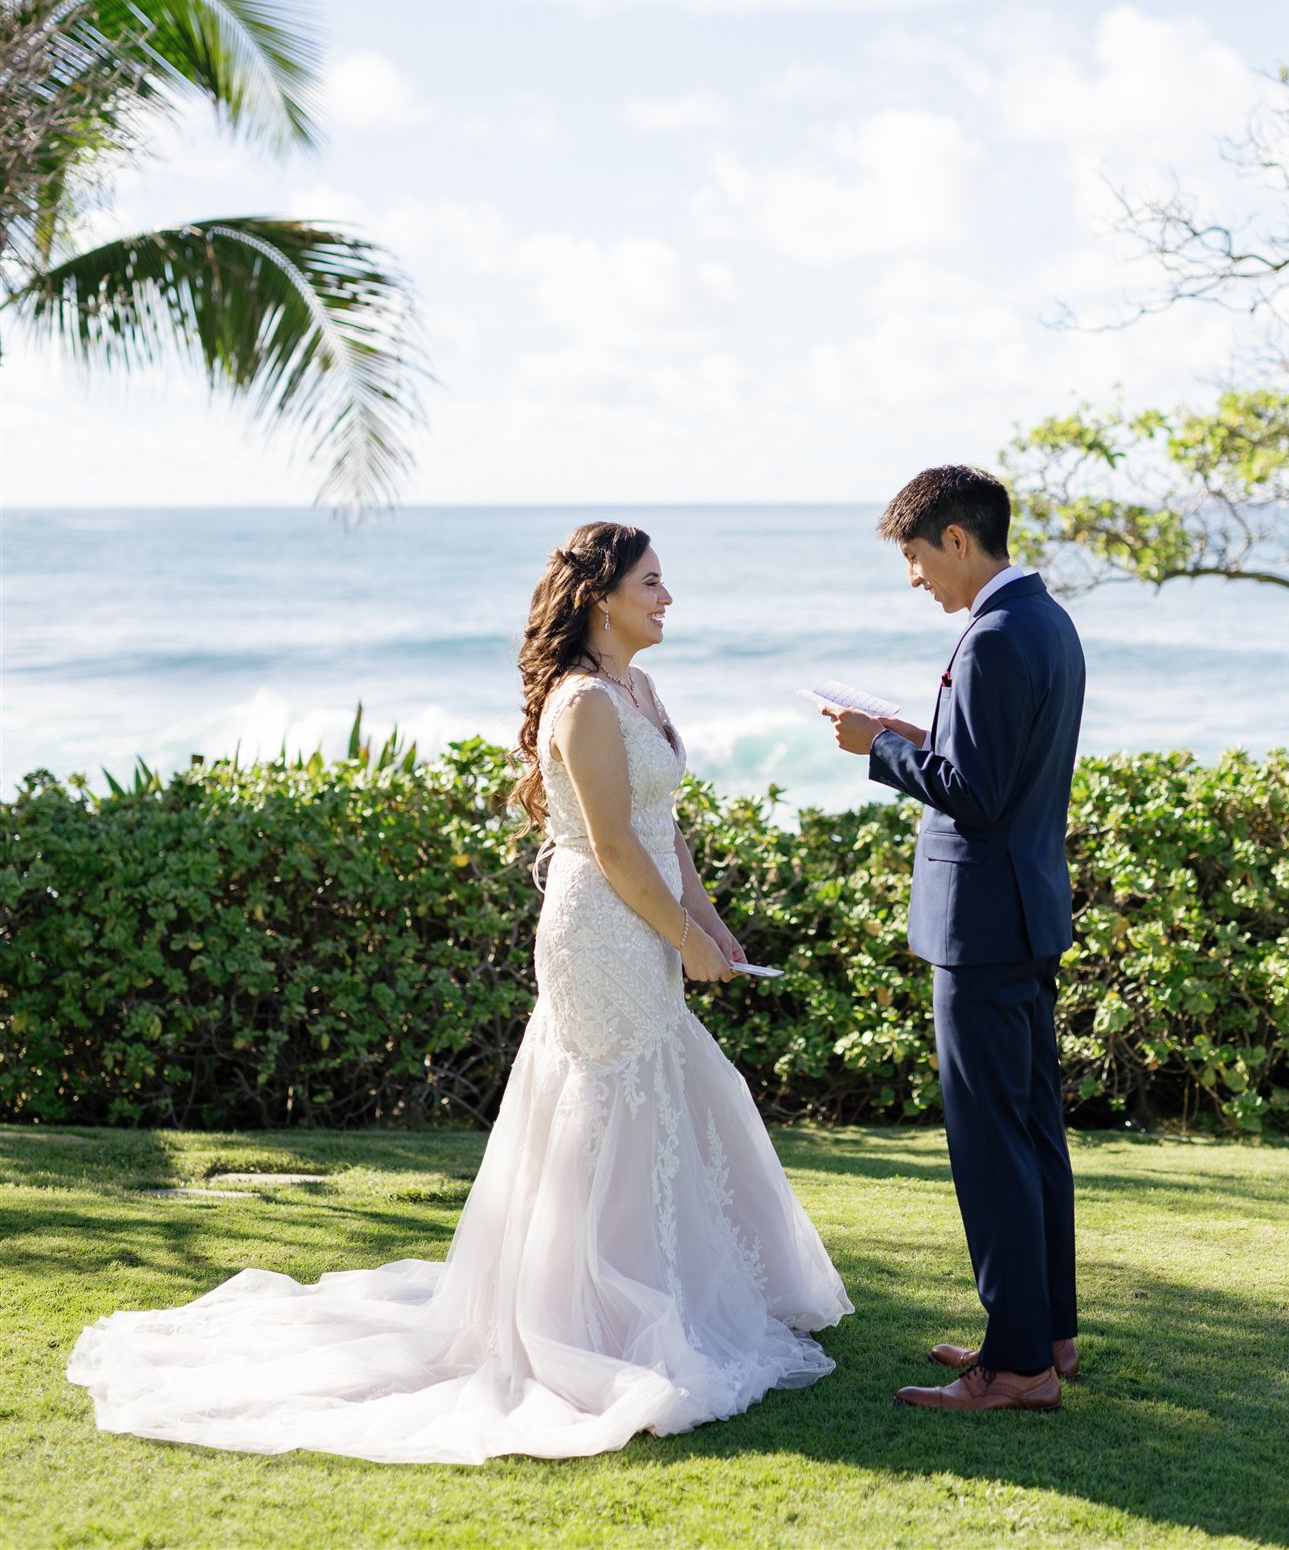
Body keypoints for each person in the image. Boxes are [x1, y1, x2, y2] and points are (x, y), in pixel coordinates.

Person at [68, 520, 850, 1463]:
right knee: (607, 1103)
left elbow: (663, 828)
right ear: (602, 594)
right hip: (600, 928)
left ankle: (661, 1292)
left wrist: (713, 926)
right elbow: (610, 849)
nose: (667, 597)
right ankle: (589, 1320)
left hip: (641, 920)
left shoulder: (639, 687)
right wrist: (682, 939)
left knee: (658, 1095)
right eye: (650, 582)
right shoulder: (586, 703)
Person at [822, 466, 1084, 1414]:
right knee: (1032, 1136)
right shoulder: (1043, 623)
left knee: (992, 1148)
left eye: (916, 557)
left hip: (983, 928)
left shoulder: (993, 639)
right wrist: (912, 732)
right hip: (1023, 916)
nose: (914, 579)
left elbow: (971, 793)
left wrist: (877, 748)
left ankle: (1013, 1371)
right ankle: (1044, 1336)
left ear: (958, 542)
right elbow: (992, 764)